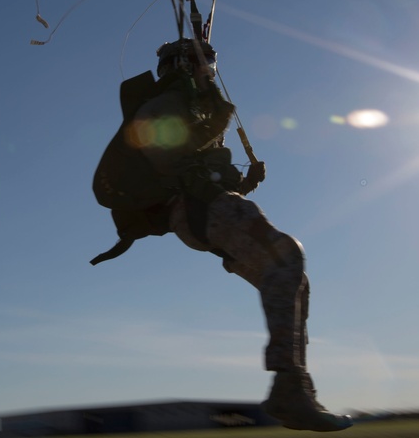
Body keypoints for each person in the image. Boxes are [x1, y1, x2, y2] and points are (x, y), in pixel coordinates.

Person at [92, 39, 352, 432]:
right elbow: (165, 153)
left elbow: (189, 165)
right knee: (286, 257)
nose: (211, 68)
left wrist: (243, 184)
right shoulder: (167, 104)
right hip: (197, 209)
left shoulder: (190, 107)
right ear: (186, 63)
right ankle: (289, 387)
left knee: (289, 278)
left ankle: (295, 383)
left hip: (206, 210)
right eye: (206, 61)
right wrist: (212, 127)